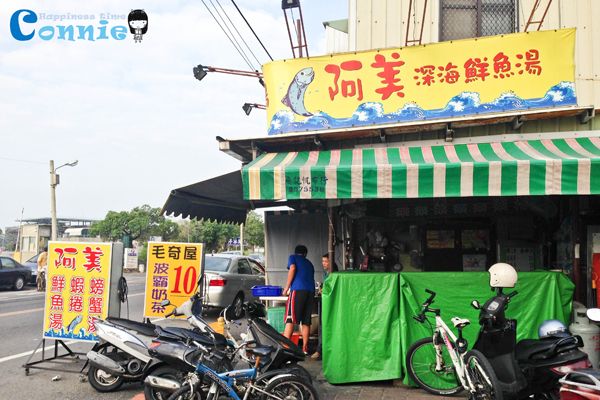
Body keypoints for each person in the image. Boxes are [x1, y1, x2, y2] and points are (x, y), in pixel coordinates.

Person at [282, 244, 315, 355]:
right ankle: (305, 348)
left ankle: (285, 347)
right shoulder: (309, 263)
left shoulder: (293, 257)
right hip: (310, 292)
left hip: (298, 291)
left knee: (290, 319)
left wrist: (286, 288)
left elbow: (293, 268)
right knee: (306, 321)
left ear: (296, 252)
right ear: (305, 254)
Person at [311, 253, 338, 360]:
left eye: (326, 261)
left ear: (331, 262)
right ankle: (321, 350)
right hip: (324, 301)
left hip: (329, 303)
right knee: (322, 326)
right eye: (323, 261)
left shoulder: (333, 273)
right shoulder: (326, 273)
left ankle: (320, 350)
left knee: (325, 326)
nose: (323, 263)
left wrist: (323, 290)